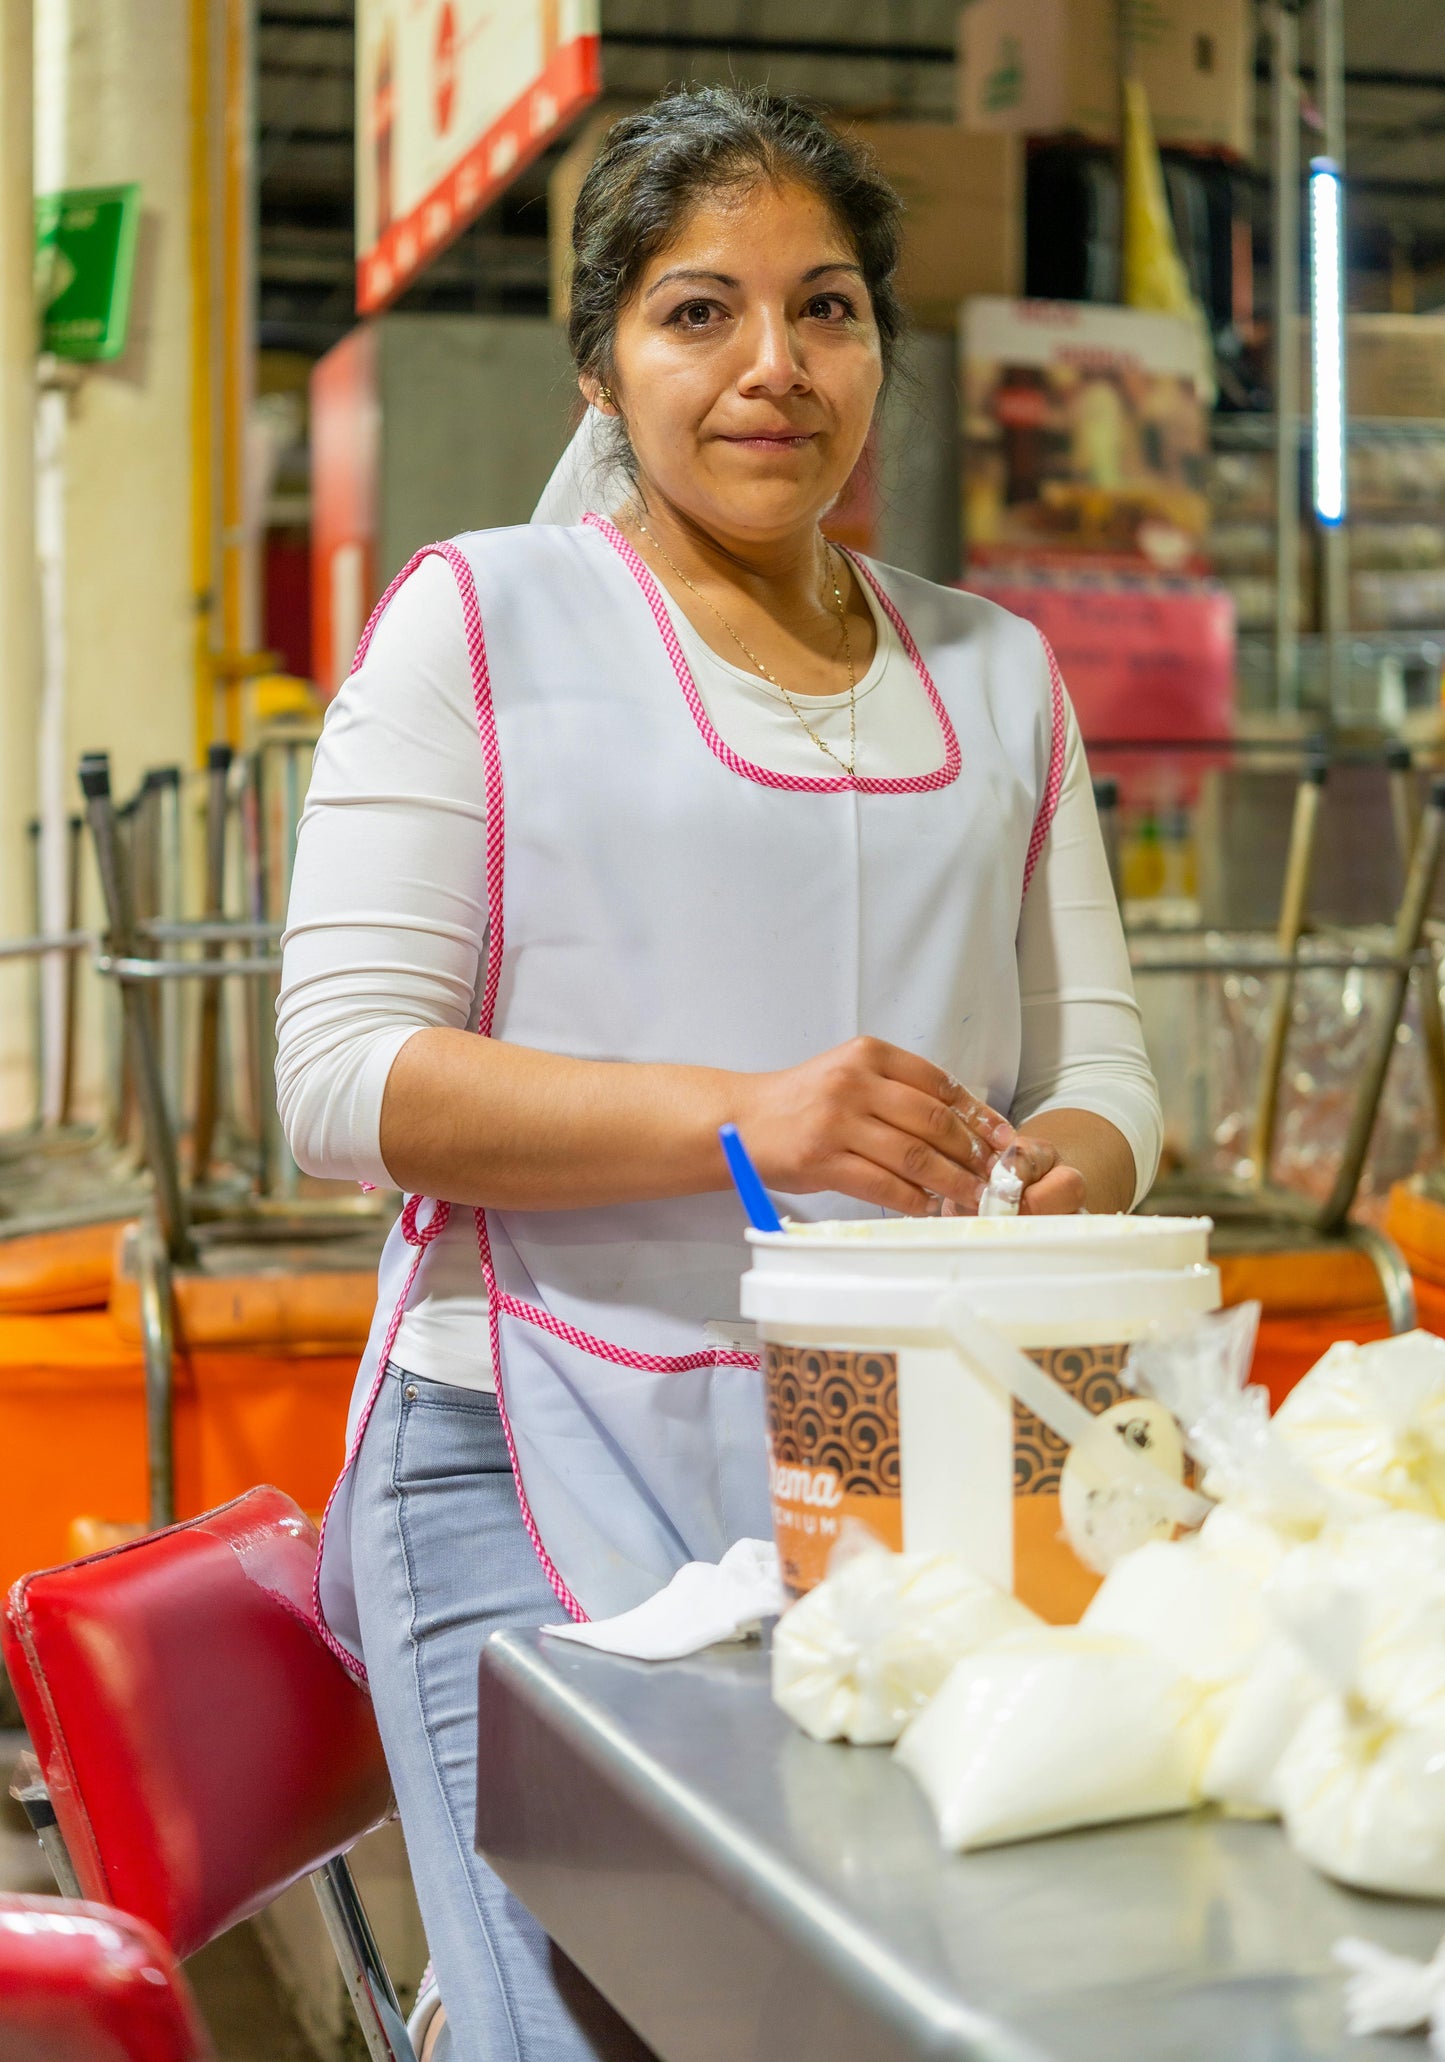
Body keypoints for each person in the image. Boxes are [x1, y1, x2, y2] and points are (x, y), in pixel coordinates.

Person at [278, 85, 1162, 2062]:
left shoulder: (995, 669)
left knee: (876, 2006)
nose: (774, 366)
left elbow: (1103, 1060)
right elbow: (342, 1076)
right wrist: (742, 1117)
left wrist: (1055, 1179)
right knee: (595, 2025)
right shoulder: (485, 620)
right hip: (524, 1425)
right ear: (603, 355)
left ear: (879, 352)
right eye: (701, 312)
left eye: (827, 307)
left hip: (904, 1451)